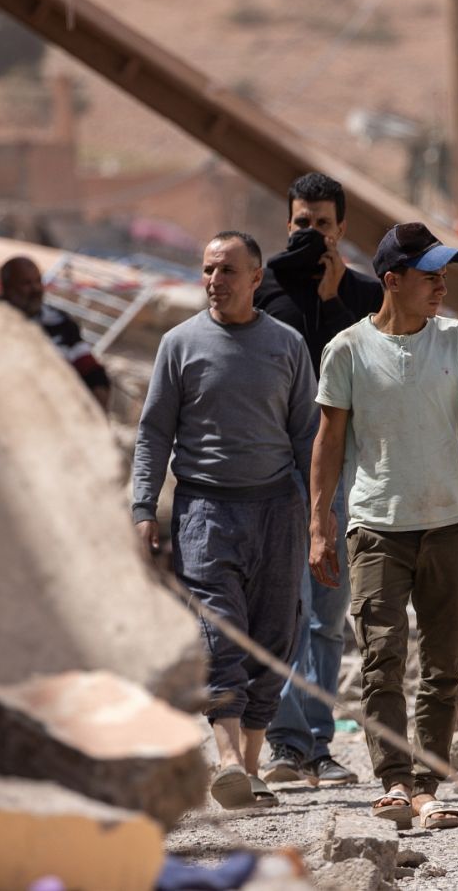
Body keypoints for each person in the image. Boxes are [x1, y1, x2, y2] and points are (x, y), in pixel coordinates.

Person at [308, 222, 458, 831]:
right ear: (391, 281)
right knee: (382, 659)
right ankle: (396, 782)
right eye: (430, 276)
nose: (441, 286)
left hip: (450, 524)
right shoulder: (346, 349)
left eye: (444, 275)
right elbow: (329, 441)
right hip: (375, 526)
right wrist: (320, 524)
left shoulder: (457, 341)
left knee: (445, 662)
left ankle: (430, 782)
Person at [131, 231, 317, 811]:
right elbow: (153, 433)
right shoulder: (179, 344)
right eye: (209, 270)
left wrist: (319, 516)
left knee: (273, 638)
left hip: (277, 509)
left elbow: (308, 435)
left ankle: (250, 768)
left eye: (228, 271)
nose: (216, 281)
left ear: (256, 278)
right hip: (204, 512)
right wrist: (142, 506)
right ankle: (229, 760)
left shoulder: (286, 345)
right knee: (219, 636)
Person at [259, 173, 383, 788]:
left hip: (339, 472)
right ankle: (283, 744)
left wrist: (335, 298)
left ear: (342, 231)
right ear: (288, 224)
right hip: (273, 472)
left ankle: (317, 741)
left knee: (328, 614)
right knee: (280, 610)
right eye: (301, 224)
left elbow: (369, 377)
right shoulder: (261, 290)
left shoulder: (362, 295)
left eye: (323, 226)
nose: (310, 235)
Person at [0, 256, 112, 408]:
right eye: (26, 283)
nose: (36, 289)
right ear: (7, 288)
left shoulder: (61, 322)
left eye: (38, 281)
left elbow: (91, 371)